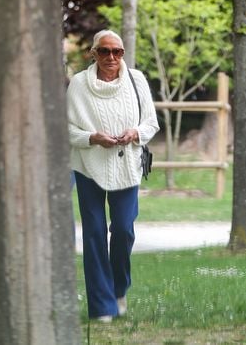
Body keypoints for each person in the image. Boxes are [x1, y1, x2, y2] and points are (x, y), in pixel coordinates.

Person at [67, 29, 159, 322]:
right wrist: (92, 137)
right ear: (93, 53)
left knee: (123, 230)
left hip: (127, 164)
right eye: (104, 51)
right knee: (93, 235)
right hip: (88, 165)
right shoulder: (79, 84)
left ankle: (119, 290)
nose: (111, 57)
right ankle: (101, 307)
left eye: (117, 52)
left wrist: (136, 133)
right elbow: (66, 129)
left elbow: (151, 123)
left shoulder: (137, 80)